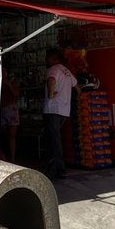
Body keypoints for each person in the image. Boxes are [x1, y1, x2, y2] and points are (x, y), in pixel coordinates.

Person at [43, 47, 77, 179]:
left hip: (53, 109)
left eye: (47, 57)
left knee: (54, 140)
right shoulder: (66, 71)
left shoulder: (53, 69)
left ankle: (59, 168)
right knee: (55, 139)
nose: (46, 60)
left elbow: (51, 80)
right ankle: (53, 167)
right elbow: (76, 85)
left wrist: (51, 94)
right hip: (64, 110)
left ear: (52, 58)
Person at [0, 67, 20, 163]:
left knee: (12, 135)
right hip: (1, 109)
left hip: (11, 109)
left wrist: (9, 85)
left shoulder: (10, 83)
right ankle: (5, 154)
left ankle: (12, 158)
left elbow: (16, 94)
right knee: (3, 133)